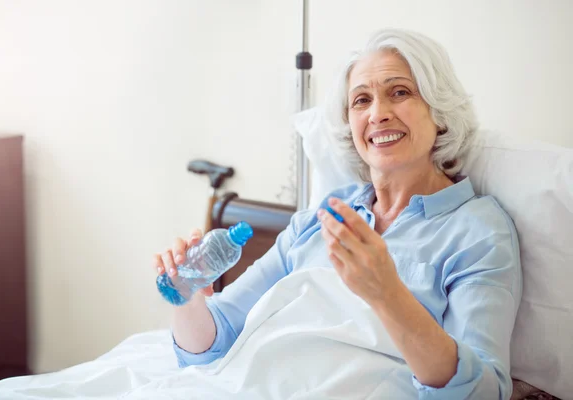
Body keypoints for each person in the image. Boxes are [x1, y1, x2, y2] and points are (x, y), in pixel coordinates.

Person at [154, 28, 521, 399]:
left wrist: (388, 295)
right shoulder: (319, 219)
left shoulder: (478, 231)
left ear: (439, 111)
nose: (378, 114)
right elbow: (210, 345)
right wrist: (189, 299)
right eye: (361, 100)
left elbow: (483, 391)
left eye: (399, 92)